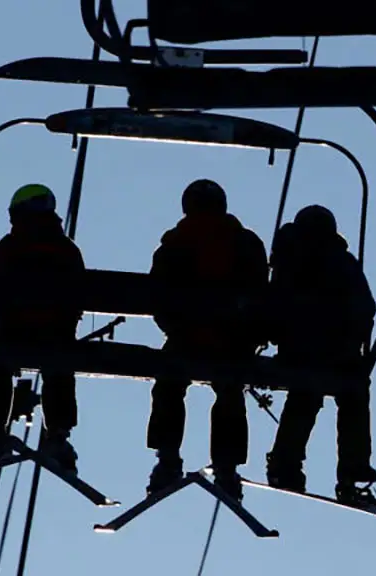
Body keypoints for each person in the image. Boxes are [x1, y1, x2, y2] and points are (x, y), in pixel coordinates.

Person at [145, 179, 269, 501]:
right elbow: (261, 297)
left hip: (187, 339)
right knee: (230, 391)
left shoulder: (175, 244)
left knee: (169, 385)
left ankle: (167, 458)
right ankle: (226, 468)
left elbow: (158, 298)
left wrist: (176, 330)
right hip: (231, 343)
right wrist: (248, 337)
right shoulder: (245, 242)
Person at [263, 205, 376, 508]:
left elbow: (272, 306)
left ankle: (285, 464)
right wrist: (353, 339)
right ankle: (352, 471)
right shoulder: (341, 263)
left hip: (298, 352)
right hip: (333, 353)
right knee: (352, 393)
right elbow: (365, 308)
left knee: (305, 395)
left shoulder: (288, 260)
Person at [0, 184, 86, 474]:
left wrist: (13, 316)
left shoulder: (9, 247)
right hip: (56, 332)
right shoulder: (65, 249)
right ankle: (58, 434)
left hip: (14, 329)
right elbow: (78, 296)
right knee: (60, 364)